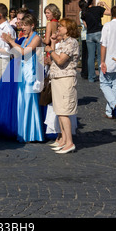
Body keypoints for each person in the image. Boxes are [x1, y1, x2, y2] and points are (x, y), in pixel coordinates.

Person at [2, 13, 44, 142]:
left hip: (31, 72)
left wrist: (11, 41)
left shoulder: (36, 38)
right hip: (23, 72)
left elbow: (24, 52)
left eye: (25, 25)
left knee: (30, 101)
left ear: (32, 25)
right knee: (22, 102)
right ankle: (23, 131)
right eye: (21, 25)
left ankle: (32, 133)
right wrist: (10, 44)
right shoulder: (25, 39)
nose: (22, 28)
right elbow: (17, 52)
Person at [44, 18, 80, 154]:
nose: (58, 28)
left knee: (64, 112)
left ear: (68, 29)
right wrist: (52, 45)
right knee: (59, 111)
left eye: (61, 26)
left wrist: (49, 49)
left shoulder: (71, 42)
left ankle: (69, 142)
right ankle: (64, 140)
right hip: (58, 78)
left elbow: (60, 60)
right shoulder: (63, 42)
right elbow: (55, 58)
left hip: (66, 79)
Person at [80, 0, 111, 82]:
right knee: (100, 56)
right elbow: (110, 12)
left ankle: (91, 77)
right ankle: (102, 76)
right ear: (92, 2)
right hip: (98, 33)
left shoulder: (83, 12)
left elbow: (85, 25)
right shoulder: (98, 9)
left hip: (89, 35)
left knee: (91, 56)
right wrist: (104, 4)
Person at [78, 0, 88, 79]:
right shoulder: (83, 13)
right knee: (86, 55)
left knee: (85, 55)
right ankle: (85, 71)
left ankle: (84, 71)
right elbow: (86, 25)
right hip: (86, 35)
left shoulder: (81, 12)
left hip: (84, 35)